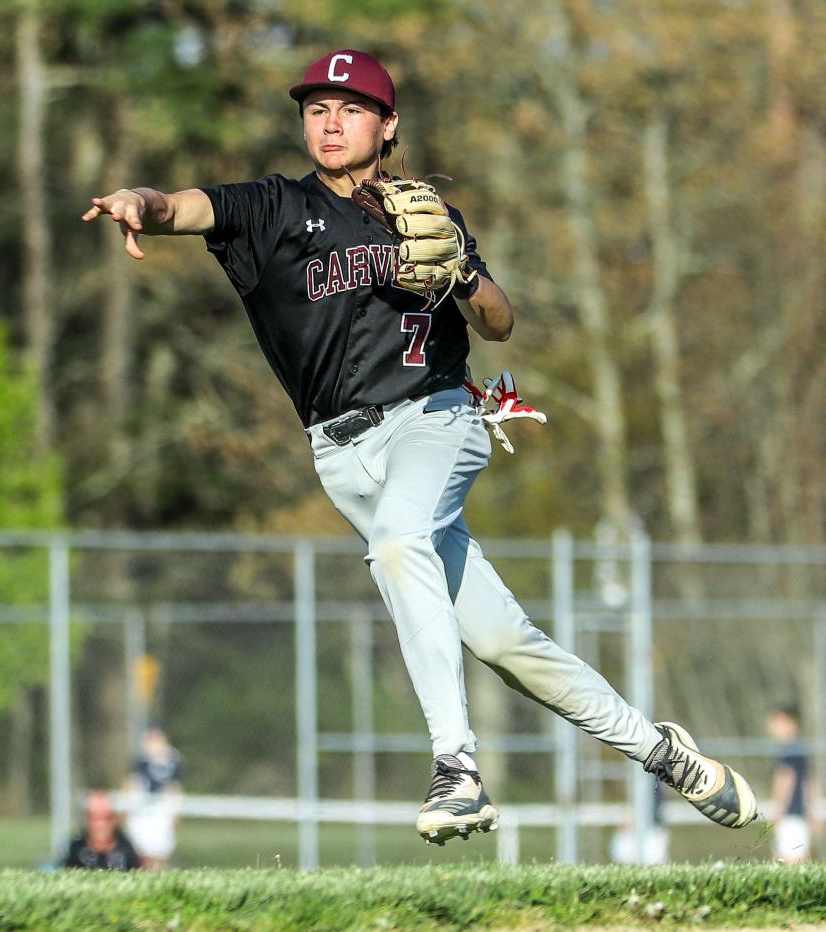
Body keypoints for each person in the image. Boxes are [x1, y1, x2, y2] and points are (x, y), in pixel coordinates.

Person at [83, 48, 758, 846]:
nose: (330, 123)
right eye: (316, 109)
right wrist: (138, 201)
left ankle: (456, 768)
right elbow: (178, 206)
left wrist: (463, 271)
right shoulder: (269, 209)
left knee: (402, 544)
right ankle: (665, 754)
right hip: (339, 456)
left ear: (388, 124)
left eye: (351, 108)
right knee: (506, 642)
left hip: (437, 418)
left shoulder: (421, 210)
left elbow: (500, 324)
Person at [123, 725, 184, 869]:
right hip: (142, 810)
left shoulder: (174, 760)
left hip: (161, 809)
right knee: (141, 848)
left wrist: (176, 811)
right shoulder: (139, 760)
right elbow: (132, 784)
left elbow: (175, 788)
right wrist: (127, 809)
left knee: (161, 849)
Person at [767, 703, 818, 863]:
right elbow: (810, 782)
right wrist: (811, 810)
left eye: (776, 723)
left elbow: (786, 778)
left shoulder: (789, 749)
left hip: (790, 815)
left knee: (790, 863)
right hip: (799, 815)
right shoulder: (800, 748)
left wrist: (778, 810)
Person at [61, 790, 141, 870]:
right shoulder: (76, 849)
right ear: (86, 819)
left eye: (106, 818)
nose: (100, 824)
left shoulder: (126, 849)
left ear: (114, 819)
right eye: (94, 818)